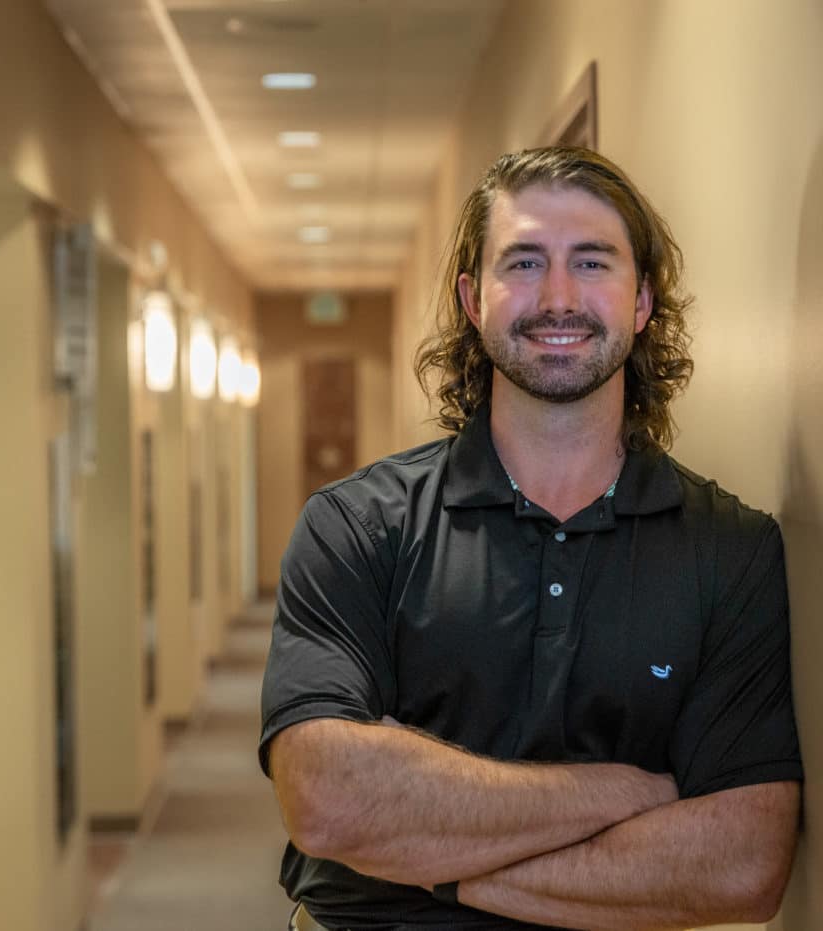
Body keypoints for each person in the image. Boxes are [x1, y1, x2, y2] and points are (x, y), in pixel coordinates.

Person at [258, 146, 803, 931]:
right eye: (523, 262)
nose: (556, 297)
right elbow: (326, 798)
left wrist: (427, 854)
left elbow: (743, 863)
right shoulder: (358, 526)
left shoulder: (731, 550)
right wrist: (633, 792)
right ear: (473, 299)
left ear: (643, 299)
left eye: (591, 261)